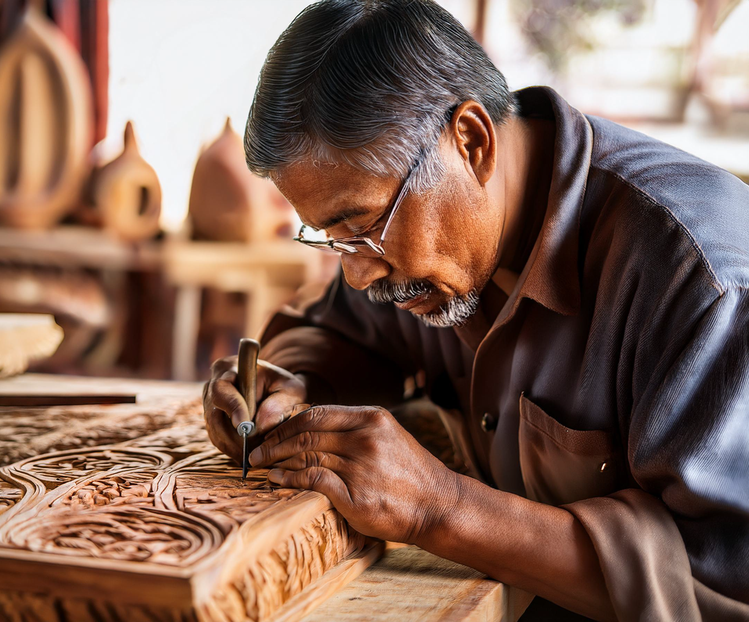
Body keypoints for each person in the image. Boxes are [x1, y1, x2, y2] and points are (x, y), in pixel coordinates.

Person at [202, 1, 749, 619]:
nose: (356, 274)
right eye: (332, 240)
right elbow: (332, 328)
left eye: (361, 229)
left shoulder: (700, 279)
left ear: (472, 141)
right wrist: (295, 386)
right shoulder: (424, 246)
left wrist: (442, 508)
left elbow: (724, 580)